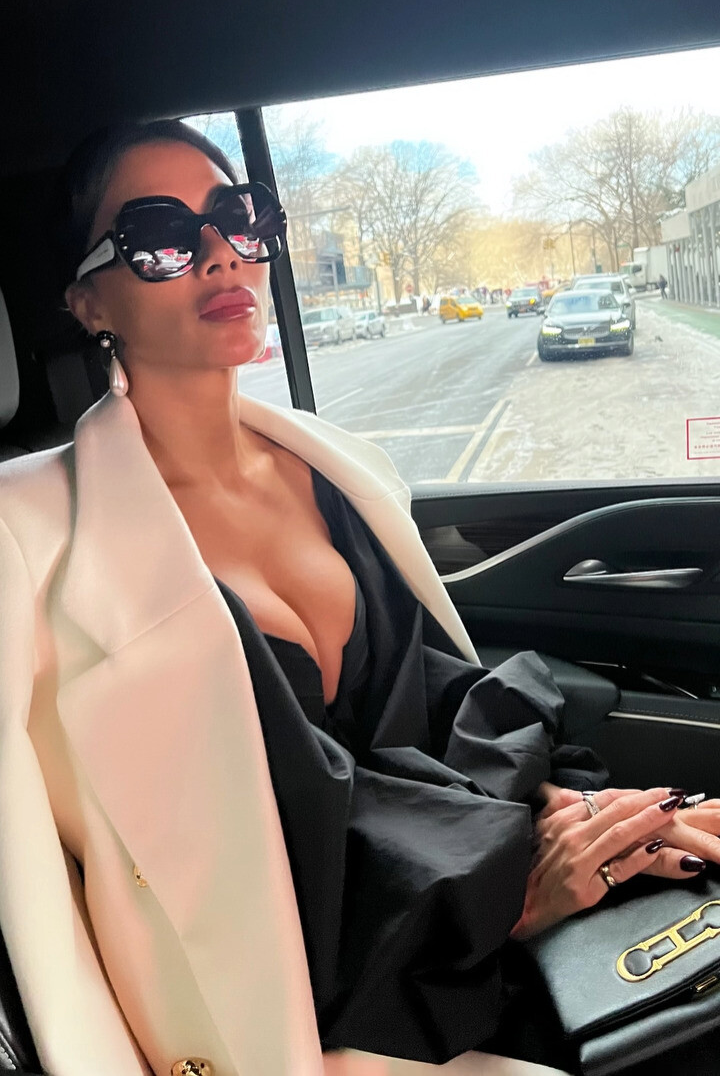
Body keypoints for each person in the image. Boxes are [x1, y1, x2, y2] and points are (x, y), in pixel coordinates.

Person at [0, 121, 718, 1076]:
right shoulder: (24, 540)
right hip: (314, 1019)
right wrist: (508, 896)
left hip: (474, 914)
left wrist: (566, 811)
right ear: (89, 300)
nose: (221, 252)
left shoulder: (338, 467)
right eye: (159, 236)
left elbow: (435, 709)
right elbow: (72, 910)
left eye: (239, 216)